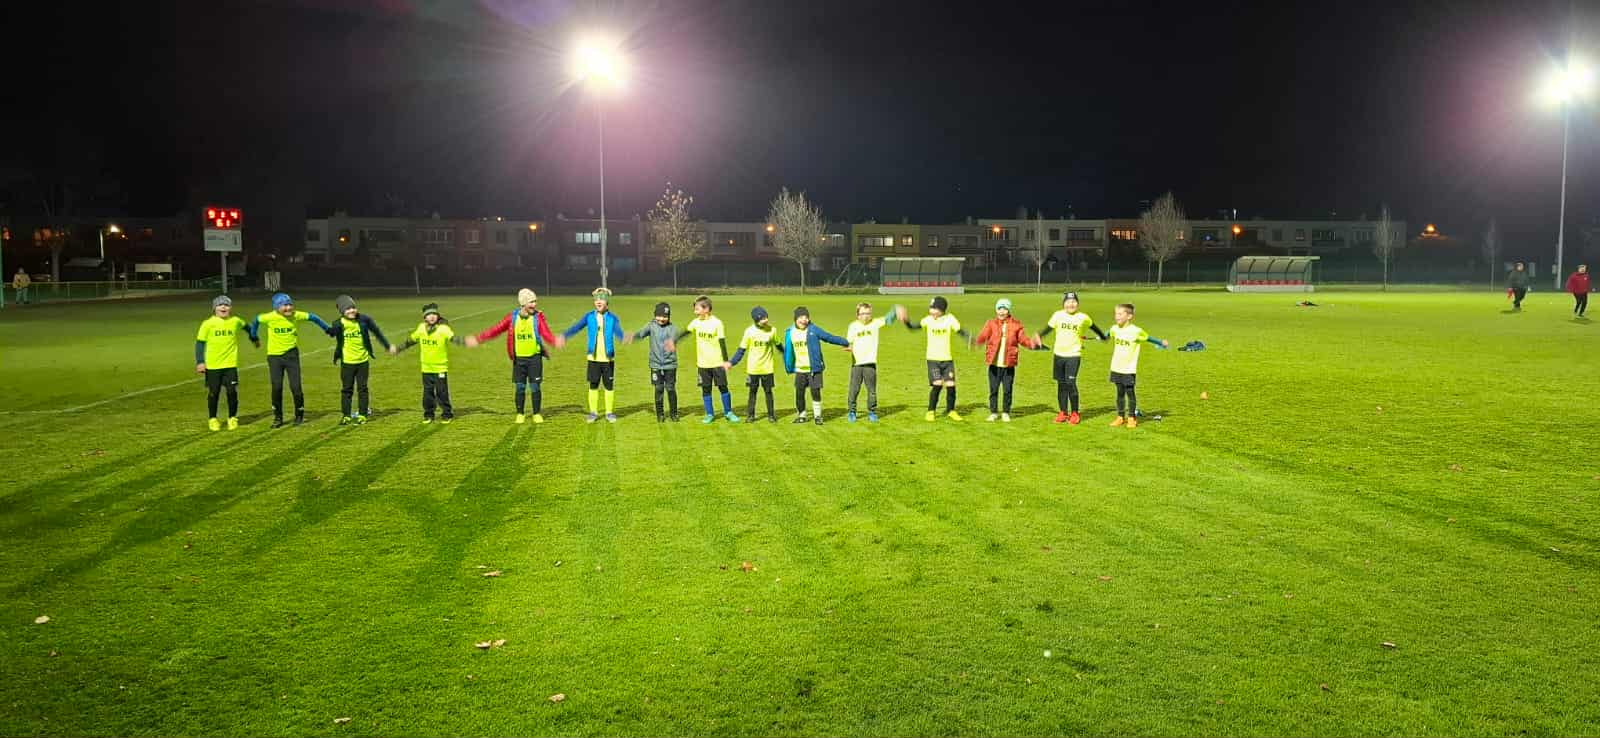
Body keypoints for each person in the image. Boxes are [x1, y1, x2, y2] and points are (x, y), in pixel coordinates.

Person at [466, 288, 560, 424]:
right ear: (523, 303)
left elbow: (546, 332)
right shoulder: (512, 318)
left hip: (535, 358)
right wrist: (478, 339)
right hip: (519, 359)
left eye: (535, 301)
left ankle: (536, 413)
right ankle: (520, 414)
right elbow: (496, 330)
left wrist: (554, 341)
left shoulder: (538, 317)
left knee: (535, 387)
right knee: (520, 387)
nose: (534, 305)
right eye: (531, 302)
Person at [250, 292, 333, 428]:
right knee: (277, 387)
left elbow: (313, 317)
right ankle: (278, 417)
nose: (288, 308)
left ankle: (299, 415)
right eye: (284, 305)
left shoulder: (296, 315)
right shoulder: (269, 317)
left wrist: (327, 329)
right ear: (276, 307)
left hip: (291, 356)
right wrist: (254, 336)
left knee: (296, 387)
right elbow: (256, 321)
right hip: (274, 357)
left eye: (290, 304)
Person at [1036, 291, 1108, 425]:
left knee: (1070, 383)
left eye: (1074, 302)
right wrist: (1040, 336)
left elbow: (1094, 328)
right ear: (1064, 304)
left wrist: (1103, 337)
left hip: (1073, 355)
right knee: (1061, 385)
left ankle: (1075, 413)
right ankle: (1063, 412)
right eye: (1068, 302)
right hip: (1058, 355)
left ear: (1078, 304)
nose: (1071, 304)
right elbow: (1048, 329)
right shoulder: (1058, 315)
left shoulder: (1083, 317)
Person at [561, 287, 628, 423]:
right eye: (596, 299)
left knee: (609, 386)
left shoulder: (613, 318)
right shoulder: (589, 316)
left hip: (608, 358)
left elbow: (618, 332)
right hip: (593, 358)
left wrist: (624, 337)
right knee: (593, 385)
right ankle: (593, 413)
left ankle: (609, 413)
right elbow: (577, 327)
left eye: (601, 299)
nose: (598, 301)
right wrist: (565, 336)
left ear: (607, 302)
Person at [194, 295, 259, 431]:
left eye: (226, 305)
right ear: (214, 308)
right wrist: (200, 362)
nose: (223, 307)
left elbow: (248, 327)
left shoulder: (235, 321)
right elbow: (200, 343)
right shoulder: (208, 324)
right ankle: (213, 419)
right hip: (213, 365)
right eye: (220, 305)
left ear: (230, 308)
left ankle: (232, 418)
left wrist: (254, 338)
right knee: (214, 393)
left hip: (230, 365)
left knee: (232, 392)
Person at [326, 294, 392, 425]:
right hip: (347, 362)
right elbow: (331, 333)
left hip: (362, 361)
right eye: (347, 309)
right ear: (342, 311)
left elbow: (377, 332)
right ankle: (346, 415)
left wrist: (387, 346)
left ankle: (362, 414)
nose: (351, 311)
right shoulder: (338, 324)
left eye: (353, 308)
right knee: (347, 389)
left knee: (362, 388)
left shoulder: (364, 320)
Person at [902, 295, 969, 422]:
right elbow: (913, 327)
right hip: (933, 359)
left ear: (941, 310)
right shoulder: (928, 320)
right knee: (937, 384)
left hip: (947, 359)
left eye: (934, 308)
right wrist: (906, 320)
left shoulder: (950, 319)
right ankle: (930, 411)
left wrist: (969, 338)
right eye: (930, 308)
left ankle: (951, 411)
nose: (931, 311)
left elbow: (960, 331)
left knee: (951, 385)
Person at [393, 303, 462, 424]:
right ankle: (429, 414)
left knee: (442, 392)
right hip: (426, 367)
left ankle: (447, 414)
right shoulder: (421, 328)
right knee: (428, 393)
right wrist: (399, 348)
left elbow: (453, 338)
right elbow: (411, 340)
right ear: (424, 317)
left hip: (440, 367)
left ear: (438, 316)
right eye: (429, 315)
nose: (432, 316)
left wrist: (465, 342)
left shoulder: (443, 329)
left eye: (434, 314)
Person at [974, 297, 1041, 422]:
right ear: (996, 310)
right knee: (993, 390)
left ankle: (1005, 412)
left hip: (1008, 364)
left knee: (1007, 390)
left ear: (1009, 310)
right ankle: (994, 412)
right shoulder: (991, 323)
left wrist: (1032, 344)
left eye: (1004, 308)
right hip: (994, 364)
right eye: (999, 308)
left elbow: (1023, 340)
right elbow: (983, 336)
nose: (1001, 311)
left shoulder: (1016, 325)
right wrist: (976, 342)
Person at [781, 306, 849, 425]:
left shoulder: (813, 330)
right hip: (799, 369)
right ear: (796, 319)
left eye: (806, 317)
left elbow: (828, 337)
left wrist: (845, 342)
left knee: (815, 392)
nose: (804, 320)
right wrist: (788, 364)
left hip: (814, 368)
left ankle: (818, 416)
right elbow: (788, 350)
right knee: (799, 393)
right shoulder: (790, 332)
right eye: (801, 317)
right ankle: (802, 415)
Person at [1106, 303, 1169, 428]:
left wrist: (1161, 342)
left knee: (1130, 392)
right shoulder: (1114, 329)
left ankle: (1131, 418)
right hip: (1116, 366)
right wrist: (1102, 336)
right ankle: (1120, 417)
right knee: (1119, 393)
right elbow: (1107, 334)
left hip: (1128, 368)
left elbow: (1149, 338)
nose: (1117, 316)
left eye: (1120, 314)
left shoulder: (1136, 331)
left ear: (1129, 316)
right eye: (1116, 314)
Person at [680, 295, 741, 424]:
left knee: (723, 387)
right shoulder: (696, 322)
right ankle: (709, 414)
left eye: (697, 308)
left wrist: (726, 361)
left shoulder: (717, 323)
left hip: (717, 363)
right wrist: (673, 342)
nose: (695, 311)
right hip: (703, 364)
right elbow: (685, 332)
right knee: (706, 389)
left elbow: (722, 342)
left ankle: (728, 412)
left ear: (706, 309)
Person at [844, 301, 899, 423]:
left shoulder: (875, 323)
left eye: (868, 313)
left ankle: (872, 412)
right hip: (857, 364)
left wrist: (897, 309)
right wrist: (849, 347)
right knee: (854, 390)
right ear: (857, 315)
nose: (866, 316)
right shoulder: (853, 326)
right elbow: (848, 342)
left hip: (870, 364)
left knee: (872, 391)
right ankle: (852, 412)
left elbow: (889, 318)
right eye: (863, 313)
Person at [727, 306, 783, 423]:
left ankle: (771, 415)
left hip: (767, 368)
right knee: (752, 392)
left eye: (766, 317)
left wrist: (788, 356)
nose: (765, 320)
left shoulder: (772, 330)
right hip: (753, 369)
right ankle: (750, 416)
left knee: (768, 392)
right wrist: (732, 362)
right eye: (762, 318)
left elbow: (779, 345)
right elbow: (741, 350)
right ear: (756, 320)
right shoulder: (749, 332)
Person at [635, 302, 681, 422]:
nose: (661, 319)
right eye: (659, 316)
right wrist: (631, 337)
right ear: (655, 315)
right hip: (655, 364)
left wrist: (672, 344)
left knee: (670, 389)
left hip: (670, 364)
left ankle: (674, 413)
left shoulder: (673, 328)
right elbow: (641, 334)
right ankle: (660, 414)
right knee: (658, 389)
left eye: (665, 316)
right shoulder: (651, 326)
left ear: (668, 317)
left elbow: (674, 339)